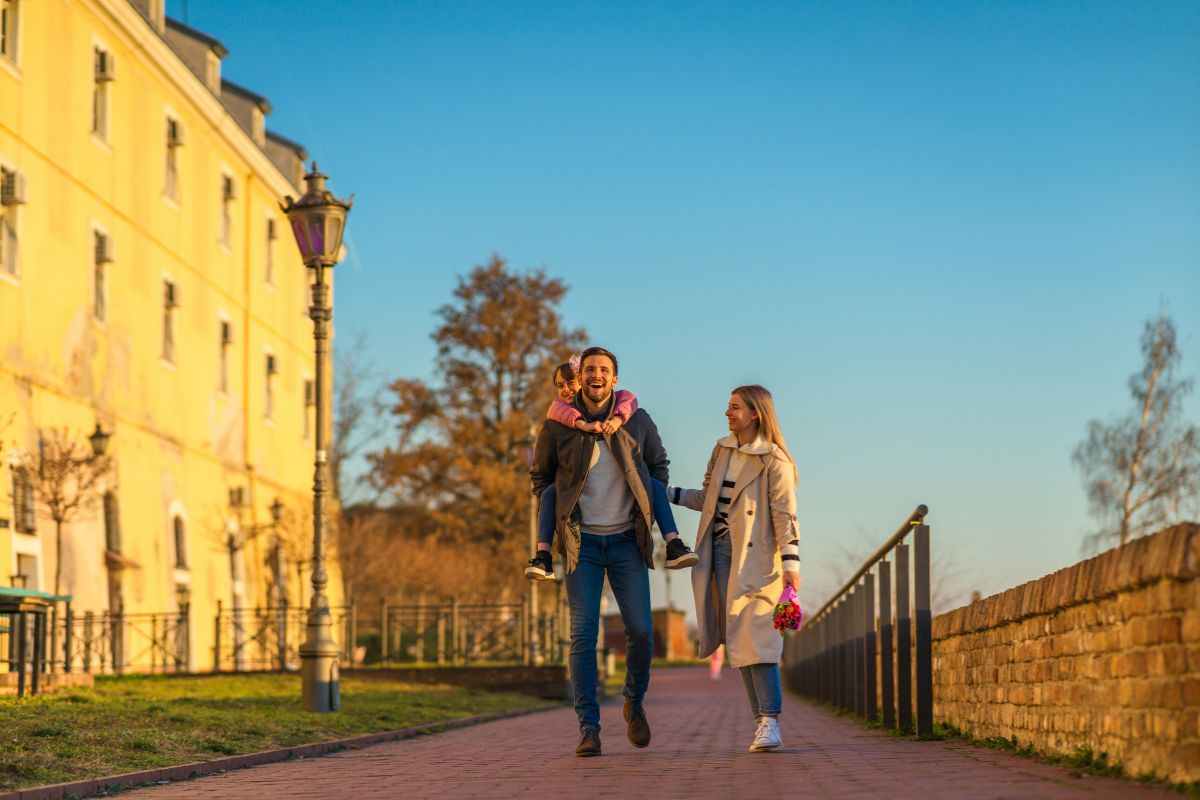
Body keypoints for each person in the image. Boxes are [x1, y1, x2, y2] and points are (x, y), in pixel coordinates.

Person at [530, 346, 677, 757]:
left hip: (627, 541)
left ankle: (633, 700)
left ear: (614, 378)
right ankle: (588, 728)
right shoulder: (559, 424)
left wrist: (648, 510)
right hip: (584, 545)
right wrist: (556, 514)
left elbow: (658, 466)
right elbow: (540, 476)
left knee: (642, 631)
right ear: (583, 377)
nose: (596, 375)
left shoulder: (637, 420)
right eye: (591, 368)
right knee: (582, 637)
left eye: (604, 370)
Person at [669, 385, 800, 752]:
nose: (728, 413)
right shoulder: (722, 449)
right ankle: (761, 721)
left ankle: (770, 721)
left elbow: (785, 515)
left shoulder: (774, 460)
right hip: (719, 553)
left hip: (759, 560)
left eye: (735, 408)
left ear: (756, 413)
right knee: (739, 643)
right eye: (728, 407)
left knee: (760, 639)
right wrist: (669, 493)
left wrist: (791, 562)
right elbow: (708, 499)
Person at [525, 357, 697, 581]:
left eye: (570, 382)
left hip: (622, 528)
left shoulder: (621, 405)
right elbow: (559, 416)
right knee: (549, 493)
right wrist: (583, 425)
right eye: (559, 385)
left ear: (583, 380)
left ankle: (673, 542)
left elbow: (629, 401)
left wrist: (617, 420)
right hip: (580, 520)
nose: (565, 389)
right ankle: (543, 554)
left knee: (652, 485)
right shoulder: (558, 414)